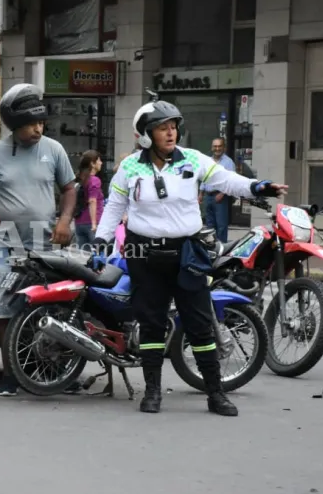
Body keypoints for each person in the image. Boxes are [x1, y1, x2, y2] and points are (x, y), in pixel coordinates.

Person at [92, 98, 287, 416]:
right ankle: (152, 392)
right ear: (145, 135)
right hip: (145, 254)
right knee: (151, 325)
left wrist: (258, 186)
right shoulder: (130, 168)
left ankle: (215, 394)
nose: (170, 134)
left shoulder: (193, 160)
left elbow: (227, 180)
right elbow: (114, 206)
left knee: (199, 326)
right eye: (162, 129)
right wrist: (101, 241)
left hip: (188, 254)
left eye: (173, 128)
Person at [0, 83, 78, 397]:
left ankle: (53, 371)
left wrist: (64, 221)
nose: (39, 129)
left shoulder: (53, 150)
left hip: (45, 247)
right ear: (15, 125)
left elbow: (69, 189)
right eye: (31, 124)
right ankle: (11, 375)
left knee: (53, 311)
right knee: (6, 310)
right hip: (6, 247)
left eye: (41, 123)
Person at [199, 137, 235, 243]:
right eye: (215, 146)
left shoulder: (228, 162)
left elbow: (231, 181)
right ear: (212, 147)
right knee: (209, 226)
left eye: (219, 146)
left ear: (224, 147)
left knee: (221, 226)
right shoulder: (208, 161)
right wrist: (201, 194)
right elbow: (204, 178)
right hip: (208, 197)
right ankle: (212, 248)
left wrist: (222, 194)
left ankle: (222, 248)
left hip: (220, 198)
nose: (217, 148)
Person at [73, 150, 104, 249]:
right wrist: (94, 224)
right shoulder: (94, 180)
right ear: (92, 163)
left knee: (83, 256)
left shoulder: (79, 180)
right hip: (92, 223)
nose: (101, 163)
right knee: (98, 254)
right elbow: (92, 201)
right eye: (99, 160)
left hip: (79, 223)